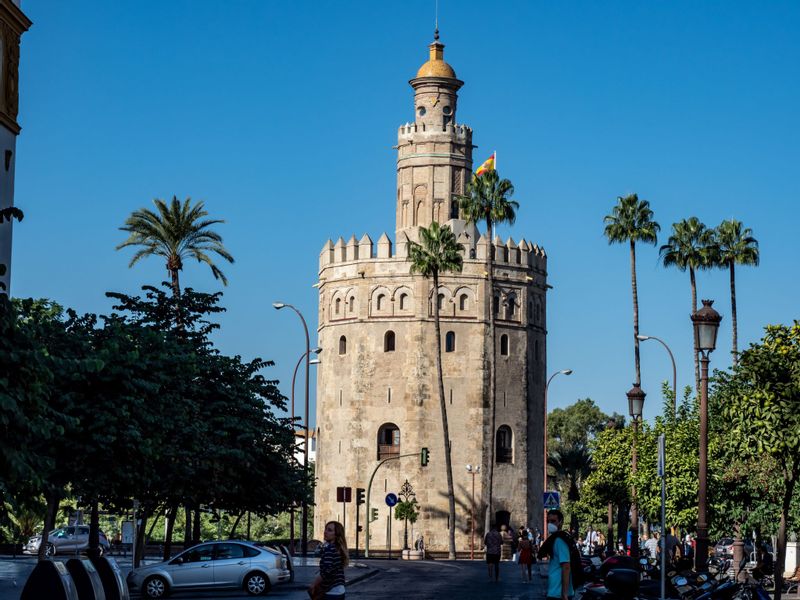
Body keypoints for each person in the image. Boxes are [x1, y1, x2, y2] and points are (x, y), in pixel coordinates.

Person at [538, 510, 576, 600]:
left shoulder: (559, 540)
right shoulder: (556, 538)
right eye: (548, 521)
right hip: (556, 592)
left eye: (553, 521)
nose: (550, 524)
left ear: (560, 522)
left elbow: (566, 566)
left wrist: (564, 594)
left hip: (558, 594)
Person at [309, 521, 348, 600]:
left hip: (331, 592)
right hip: (340, 591)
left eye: (329, 530)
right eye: (326, 529)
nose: (325, 532)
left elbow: (327, 571)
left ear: (336, 535)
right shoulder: (339, 549)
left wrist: (314, 585)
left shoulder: (330, 549)